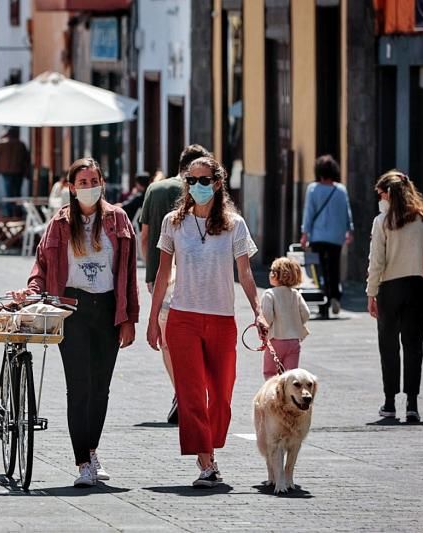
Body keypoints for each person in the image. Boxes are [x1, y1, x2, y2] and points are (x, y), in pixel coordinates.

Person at [15, 158, 139, 488]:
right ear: (71, 187)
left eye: (93, 180)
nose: (88, 186)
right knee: (79, 387)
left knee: (101, 389)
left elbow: (128, 276)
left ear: (102, 183)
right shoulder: (59, 223)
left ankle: (92, 449)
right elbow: (41, 265)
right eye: (82, 182)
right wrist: (31, 291)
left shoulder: (119, 219)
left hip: (109, 309)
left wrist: (130, 319)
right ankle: (83, 460)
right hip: (72, 308)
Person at [146, 155, 264, 489]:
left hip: (222, 319)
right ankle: (206, 460)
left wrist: (259, 311)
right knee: (192, 394)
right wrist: (154, 319)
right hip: (182, 319)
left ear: (217, 182)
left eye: (205, 179)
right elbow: (163, 271)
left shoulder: (234, 224)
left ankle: (208, 448)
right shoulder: (173, 222)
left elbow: (245, 273)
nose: (198, 186)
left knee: (222, 395)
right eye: (192, 180)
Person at [139, 144, 210, 424]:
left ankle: (182, 390)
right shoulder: (206, 189)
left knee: (168, 342)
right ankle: (191, 390)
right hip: (201, 276)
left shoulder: (155, 191)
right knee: (198, 335)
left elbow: (144, 237)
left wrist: (150, 271)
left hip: (163, 277)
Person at [366, 170, 423, 423]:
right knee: (413, 347)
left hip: (389, 288)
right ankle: (412, 403)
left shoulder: (382, 221)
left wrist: (371, 293)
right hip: (416, 287)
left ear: (390, 194)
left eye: (381, 193)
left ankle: (389, 403)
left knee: (388, 346)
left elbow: (376, 261)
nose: (379, 197)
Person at [300, 155, 354, 319]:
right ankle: (335, 296)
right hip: (336, 236)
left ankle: (323, 305)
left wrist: (304, 233)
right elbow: (347, 212)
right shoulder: (341, 190)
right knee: (334, 267)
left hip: (318, 236)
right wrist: (349, 230)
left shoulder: (313, 189)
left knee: (319, 271)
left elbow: (309, 212)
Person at [260, 257, 311, 380]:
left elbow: (268, 317)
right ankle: (288, 397)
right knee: (290, 376)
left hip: (276, 339)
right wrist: (295, 324)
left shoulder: (269, 294)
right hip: (294, 341)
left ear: (275, 275)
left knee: (270, 373)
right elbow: (306, 313)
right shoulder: (295, 294)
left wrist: (263, 326)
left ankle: (274, 396)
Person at [0, 126, 29, 213]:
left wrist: (1, 136)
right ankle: (17, 212)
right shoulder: (21, 144)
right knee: (17, 193)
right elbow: (26, 158)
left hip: (6, 172)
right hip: (18, 171)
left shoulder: (2, 143)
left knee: (9, 193)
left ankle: (9, 212)